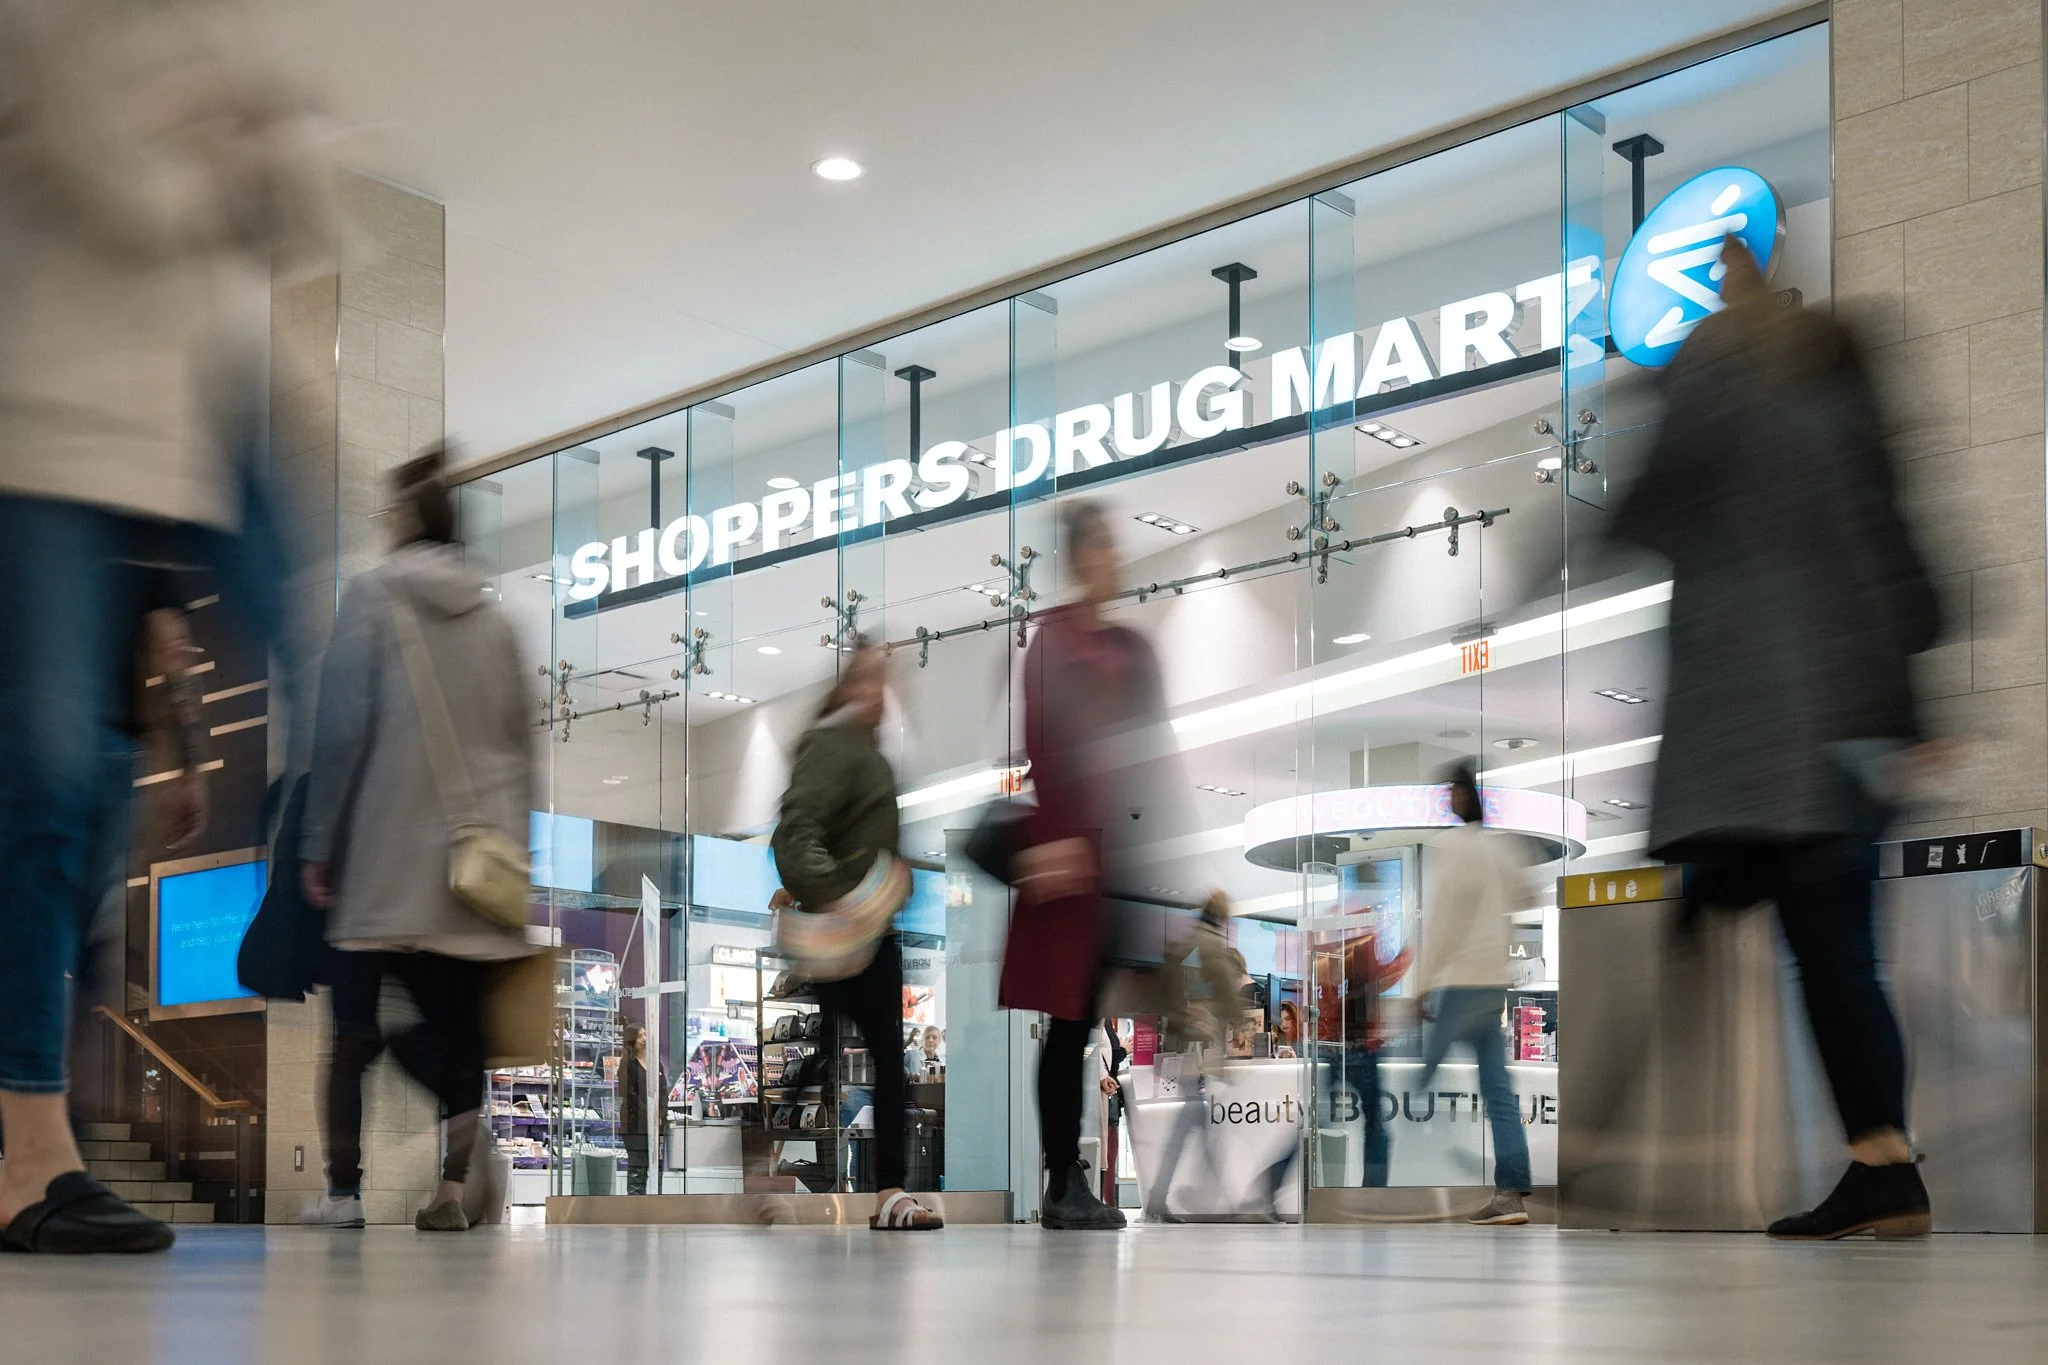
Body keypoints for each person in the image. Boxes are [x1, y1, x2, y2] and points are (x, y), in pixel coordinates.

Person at [0, 0, 329, 1254]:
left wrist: (225, 137)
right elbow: (118, 183)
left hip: (192, 431)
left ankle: (35, 1137)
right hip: (46, 427)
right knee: (48, 780)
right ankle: (32, 1151)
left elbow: (303, 209)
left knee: (87, 793)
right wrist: (221, 144)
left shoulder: (218, 24)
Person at [1611, 236, 1940, 1241]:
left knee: (1731, 921)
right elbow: (1902, 567)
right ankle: (1879, 1162)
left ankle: (1625, 1147)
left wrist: (1663, 378)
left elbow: (1639, 509)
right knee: (1835, 950)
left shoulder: (1726, 392)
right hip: (1843, 733)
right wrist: (1906, 717)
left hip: (1761, 743)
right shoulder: (1836, 403)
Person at [299, 452, 535, 1233]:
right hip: (474, 865)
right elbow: (520, 748)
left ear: (405, 521)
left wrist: (321, 837)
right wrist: (516, 849)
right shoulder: (499, 619)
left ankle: (343, 1193)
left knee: (355, 1032)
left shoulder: (373, 595)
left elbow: (340, 728)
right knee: (459, 1029)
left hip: (384, 857)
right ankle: (448, 1192)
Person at [1001, 499, 1172, 1231]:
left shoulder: (1132, 647)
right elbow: (1046, 735)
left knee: (1086, 1012)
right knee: (1067, 1021)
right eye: (1099, 546)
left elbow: (1150, 748)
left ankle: (1070, 1183)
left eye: (1113, 544)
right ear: (1077, 557)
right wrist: (1060, 838)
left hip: (1118, 858)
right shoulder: (1057, 639)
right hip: (1069, 855)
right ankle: (1061, 1180)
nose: (1112, 557)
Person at [772, 641, 942, 1230]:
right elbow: (796, 834)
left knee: (839, 1055)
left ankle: (779, 1163)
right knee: (877, 1062)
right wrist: (839, 897)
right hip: (849, 931)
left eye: (885, 681)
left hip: (863, 929)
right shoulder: (833, 745)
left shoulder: (863, 752)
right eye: (871, 680)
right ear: (847, 687)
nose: (883, 692)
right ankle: (887, 1194)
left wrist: (892, 879)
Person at [1412, 762, 1533, 1226]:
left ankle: (1378, 1182)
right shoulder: (1498, 849)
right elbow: (1526, 892)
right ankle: (1510, 1194)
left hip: (1462, 982)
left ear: (1464, 794)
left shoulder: (1456, 847)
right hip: (1491, 983)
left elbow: (1445, 919)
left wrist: (1421, 985)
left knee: (1422, 1073)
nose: (1448, 799)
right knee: (1499, 1091)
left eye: (1451, 791)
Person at [1315, 923, 1411, 1187]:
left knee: (1316, 1122)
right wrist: (1408, 954)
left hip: (1335, 1047)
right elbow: (1379, 979)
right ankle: (1373, 1194)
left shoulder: (1335, 936)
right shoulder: (1362, 936)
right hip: (1360, 1048)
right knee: (1376, 1127)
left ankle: (1276, 1182)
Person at [620, 1023, 669, 1197]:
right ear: (632, 1040)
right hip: (635, 1125)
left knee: (657, 1166)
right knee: (638, 1167)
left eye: (645, 1035)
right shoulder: (627, 1064)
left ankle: (656, 1203)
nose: (644, 1039)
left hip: (657, 1125)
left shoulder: (656, 1064)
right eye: (640, 1036)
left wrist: (661, 1114)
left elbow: (663, 1090)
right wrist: (648, 1114)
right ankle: (635, 1205)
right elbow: (629, 1095)